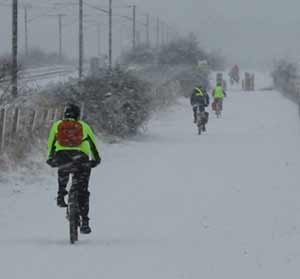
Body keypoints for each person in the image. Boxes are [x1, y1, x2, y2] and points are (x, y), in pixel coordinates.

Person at [47, 103, 101, 234]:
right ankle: (85, 222)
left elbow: (51, 143)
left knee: (63, 170)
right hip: (81, 159)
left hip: (62, 157)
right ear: (78, 115)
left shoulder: (57, 125)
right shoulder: (84, 126)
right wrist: (96, 159)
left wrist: (50, 158)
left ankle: (61, 195)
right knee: (83, 190)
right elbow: (93, 144)